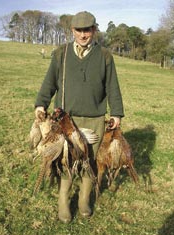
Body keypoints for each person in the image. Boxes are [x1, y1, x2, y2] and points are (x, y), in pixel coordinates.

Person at [34, 11, 124, 223]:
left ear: (94, 30)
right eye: (79, 30)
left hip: (94, 118)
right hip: (66, 119)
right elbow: (49, 82)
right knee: (65, 160)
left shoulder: (104, 56)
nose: (83, 35)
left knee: (89, 161)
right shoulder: (60, 54)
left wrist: (117, 112)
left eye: (88, 29)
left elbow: (112, 86)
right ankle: (63, 201)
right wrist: (41, 103)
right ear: (72, 31)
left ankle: (84, 199)